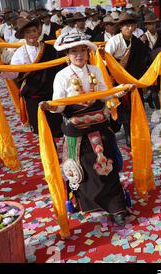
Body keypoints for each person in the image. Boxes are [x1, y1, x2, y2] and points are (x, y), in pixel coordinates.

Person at [41, 33, 134, 226]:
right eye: (74, 51)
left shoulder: (95, 70)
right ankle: (88, 202)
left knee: (107, 166)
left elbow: (103, 95)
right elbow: (59, 105)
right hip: (77, 129)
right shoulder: (62, 76)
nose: (79, 55)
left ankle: (116, 207)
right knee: (82, 169)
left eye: (82, 50)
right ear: (67, 54)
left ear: (87, 52)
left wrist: (120, 91)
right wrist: (51, 107)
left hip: (99, 125)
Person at [0, 17, 63, 137]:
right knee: (42, 132)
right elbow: (13, 73)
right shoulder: (19, 53)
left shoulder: (50, 49)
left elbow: (59, 68)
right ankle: (49, 155)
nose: (31, 34)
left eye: (33, 31)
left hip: (52, 94)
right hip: (33, 96)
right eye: (28, 32)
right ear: (23, 35)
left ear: (38, 32)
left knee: (58, 128)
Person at [105, 13, 150, 147]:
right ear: (120, 27)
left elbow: (144, 58)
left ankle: (133, 133)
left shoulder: (137, 43)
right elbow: (107, 60)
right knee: (122, 109)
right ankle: (124, 132)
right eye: (126, 26)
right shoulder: (114, 41)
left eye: (132, 25)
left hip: (133, 80)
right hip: (117, 80)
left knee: (134, 108)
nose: (129, 28)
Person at [141, 13, 161, 109]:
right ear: (146, 26)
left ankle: (149, 99)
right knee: (154, 90)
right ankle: (158, 109)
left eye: (154, 23)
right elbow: (142, 55)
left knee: (159, 88)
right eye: (150, 24)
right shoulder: (142, 38)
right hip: (149, 68)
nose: (152, 26)